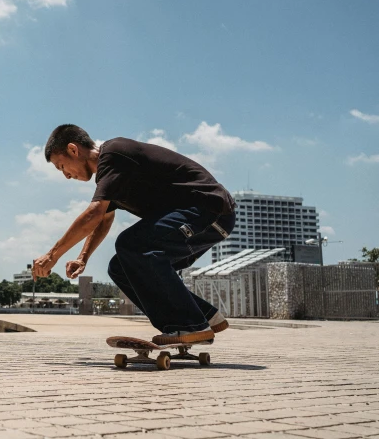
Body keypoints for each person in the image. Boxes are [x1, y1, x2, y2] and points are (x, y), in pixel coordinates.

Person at [32, 124, 235, 345]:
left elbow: (94, 213)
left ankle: (191, 325)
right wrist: (83, 257)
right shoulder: (111, 176)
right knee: (119, 267)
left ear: (73, 149)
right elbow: (103, 220)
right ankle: (202, 318)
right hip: (200, 220)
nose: (66, 176)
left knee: (132, 244)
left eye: (62, 166)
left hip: (210, 211)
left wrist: (52, 255)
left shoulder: (115, 154)